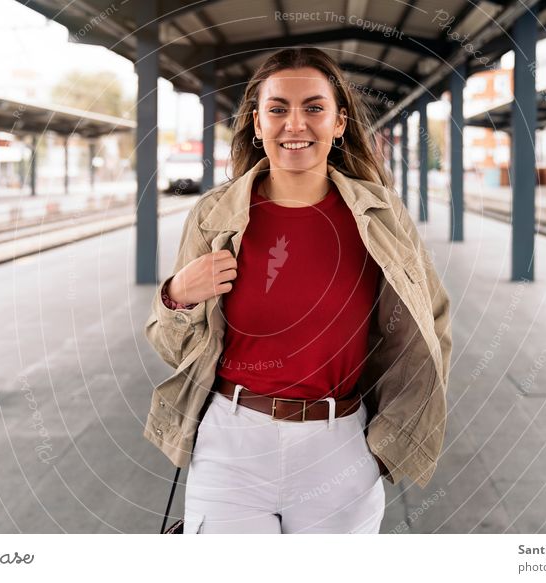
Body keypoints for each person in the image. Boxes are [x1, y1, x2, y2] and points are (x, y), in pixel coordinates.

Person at [145, 47, 452, 534]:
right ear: (256, 122)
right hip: (232, 443)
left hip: (339, 445)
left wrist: (385, 444)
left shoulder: (379, 218)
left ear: (339, 123)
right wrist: (177, 295)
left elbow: (426, 330)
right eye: (277, 108)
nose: (295, 124)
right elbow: (171, 346)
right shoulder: (214, 215)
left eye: (313, 107)